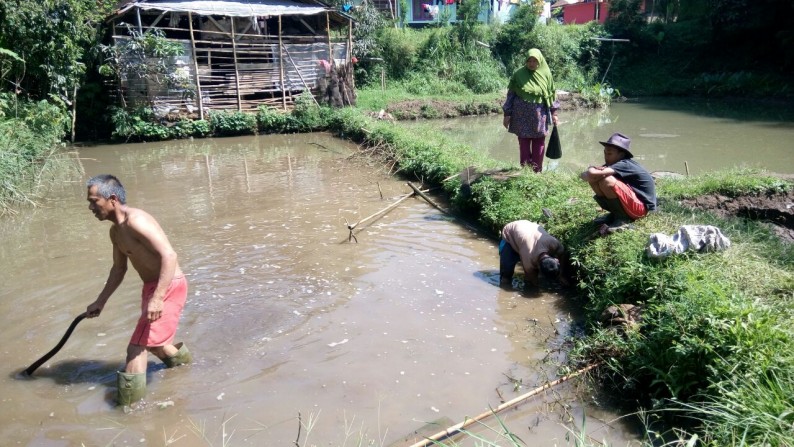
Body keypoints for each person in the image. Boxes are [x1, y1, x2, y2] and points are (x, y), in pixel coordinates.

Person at [85, 174, 191, 407]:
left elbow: (169, 256)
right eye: (90, 202)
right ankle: (184, 367)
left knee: (137, 346)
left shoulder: (136, 221)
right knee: (154, 341)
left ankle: (128, 409)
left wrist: (158, 298)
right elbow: (118, 269)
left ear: (112, 199)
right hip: (152, 287)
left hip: (168, 285)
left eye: (94, 201)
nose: (91, 207)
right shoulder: (115, 232)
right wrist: (100, 302)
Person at [580, 133, 657, 233]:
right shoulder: (613, 165)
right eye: (605, 153)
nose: (606, 157)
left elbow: (591, 173)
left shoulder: (624, 164)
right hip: (633, 205)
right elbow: (586, 176)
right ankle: (615, 215)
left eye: (609, 154)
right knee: (595, 179)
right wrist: (592, 173)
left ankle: (622, 218)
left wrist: (591, 168)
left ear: (621, 154)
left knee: (606, 181)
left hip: (642, 210)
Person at [502, 48, 560, 173]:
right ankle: (525, 170)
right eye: (529, 61)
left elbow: (551, 94)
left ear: (540, 61)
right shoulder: (518, 74)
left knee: (539, 142)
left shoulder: (546, 75)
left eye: (535, 61)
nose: (532, 63)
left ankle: (537, 170)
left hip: (539, 115)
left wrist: (554, 113)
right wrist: (507, 114)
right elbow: (511, 95)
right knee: (523, 142)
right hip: (520, 115)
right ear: (526, 61)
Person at [499, 220, 568, 288]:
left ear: (556, 260)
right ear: (538, 267)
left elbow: (562, 255)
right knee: (506, 274)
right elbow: (532, 280)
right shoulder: (528, 262)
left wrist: (561, 275)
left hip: (527, 229)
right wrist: (536, 287)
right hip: (510, 233)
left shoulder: (553, 243)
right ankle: (503, 285)